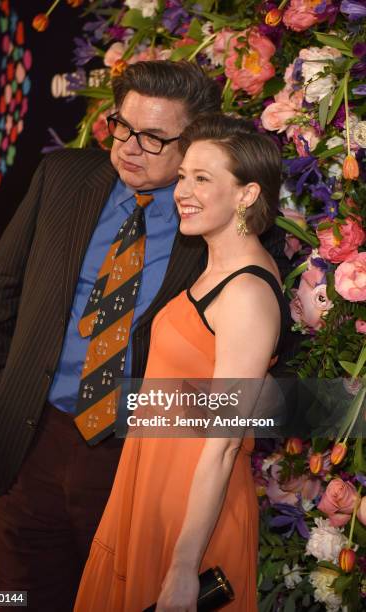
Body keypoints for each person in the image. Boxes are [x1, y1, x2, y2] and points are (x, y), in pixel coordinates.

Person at [0, 61, 288, 611]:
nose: (128, 147)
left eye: (153, 138)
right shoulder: (62, 177)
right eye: (121, 125)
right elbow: (0, 294)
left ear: (193, 142)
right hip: (30, 439)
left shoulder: (211, 227)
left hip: (131, 463)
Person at [74, 114, 290, 612]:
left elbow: (223, 444)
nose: (182, 191)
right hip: (155, 487)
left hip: (192, 517)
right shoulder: (215, 266)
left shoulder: (247, 295)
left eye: (202, 178)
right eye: (184, 176)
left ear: (247, 195)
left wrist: (182, 567)